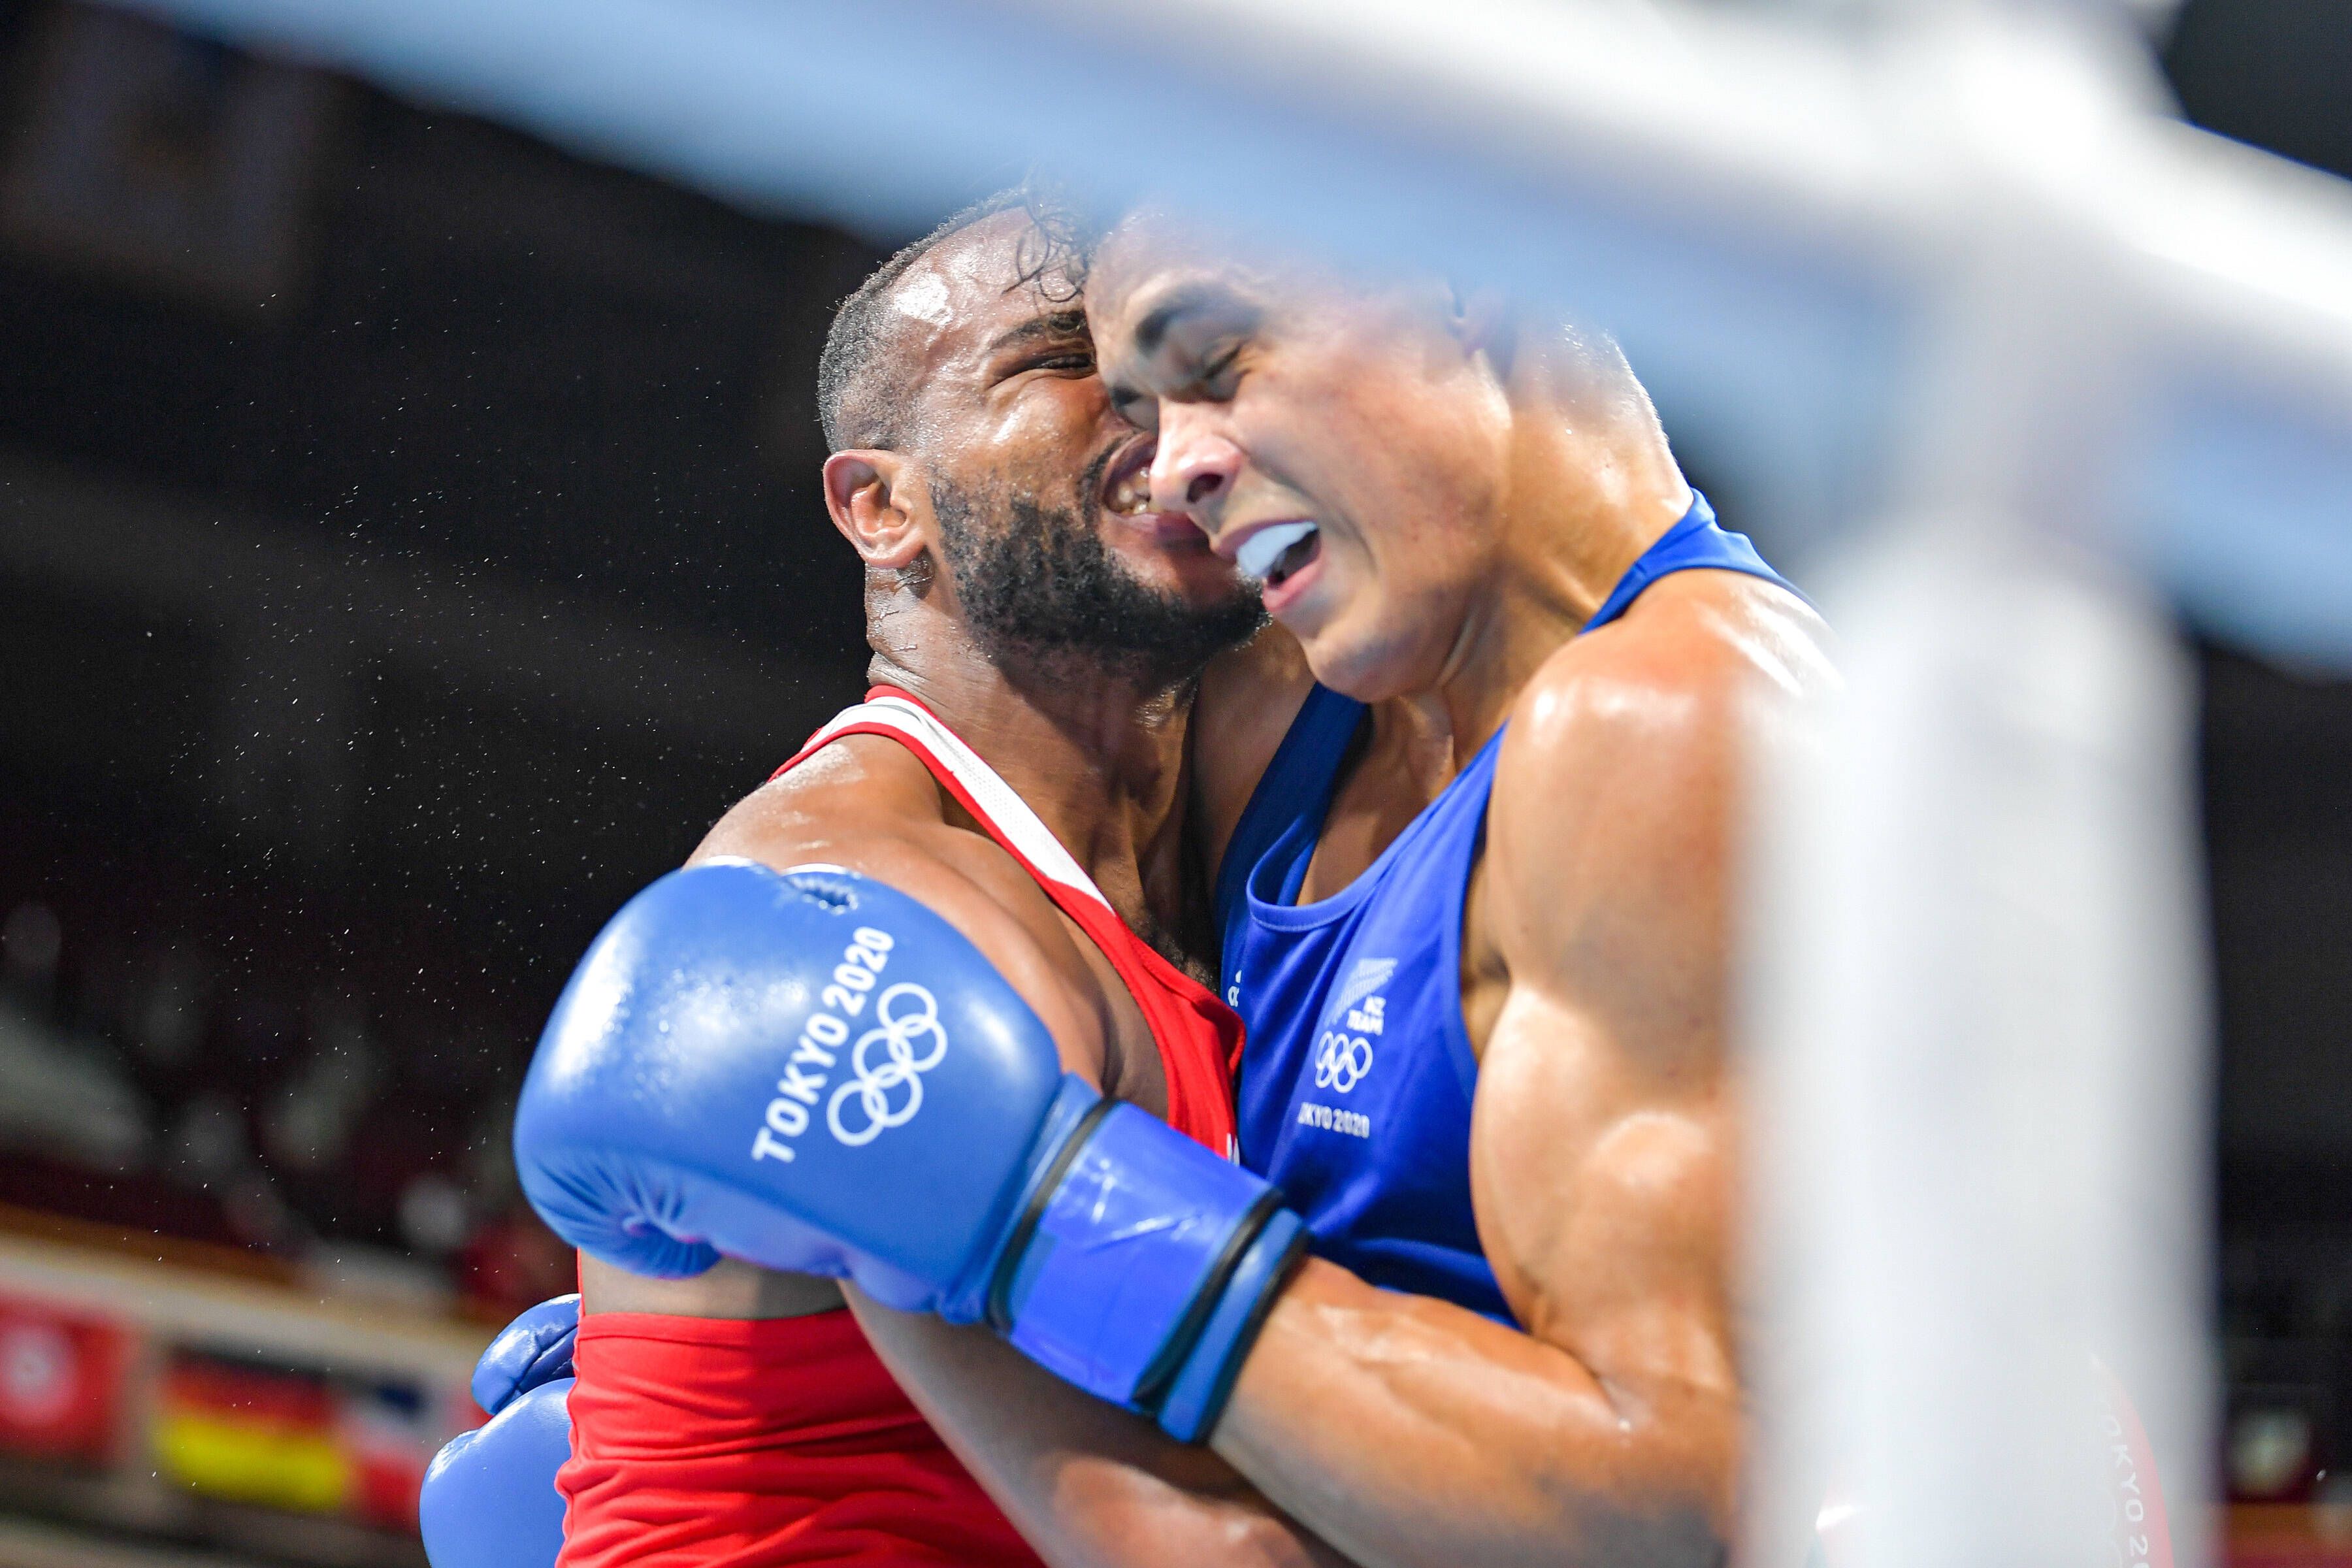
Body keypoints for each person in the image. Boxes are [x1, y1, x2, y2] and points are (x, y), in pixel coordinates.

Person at [422, 191, 1345, 1568]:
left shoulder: (1222, 841)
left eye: (1174, 355)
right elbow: (1204, 1550)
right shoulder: (868, 899)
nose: (1152, 401)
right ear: (881, 506)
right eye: (1066, 359)